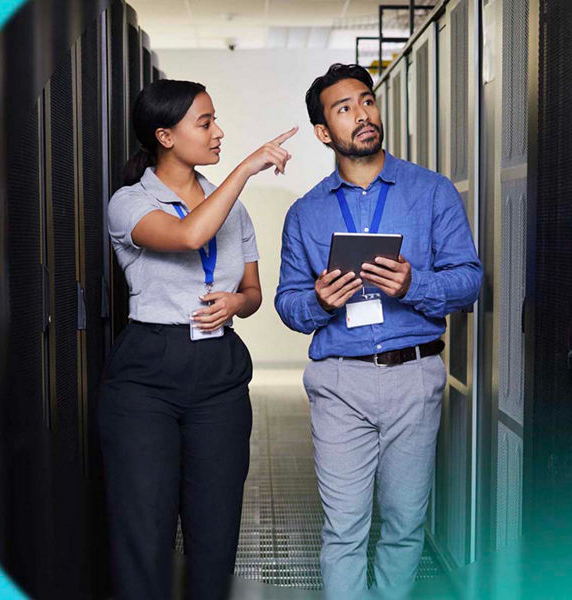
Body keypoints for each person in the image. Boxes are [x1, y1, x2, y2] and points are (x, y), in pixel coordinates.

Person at [274, 63, 482, 597]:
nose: (363, 114)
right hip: (339, 382)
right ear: (324, 133)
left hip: (414, 376)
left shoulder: (432, 192)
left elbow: (470, 281)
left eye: (367, 101)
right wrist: (319, 301)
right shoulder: (305, 213)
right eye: (344, 108)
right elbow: (288, 303)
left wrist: (414, 283)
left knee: (404, 524)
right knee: (344, 527)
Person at [99, 78, 297, 600]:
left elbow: (253, 290)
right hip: (148, 372)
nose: (218, 132)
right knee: (145, 529)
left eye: (215, 120)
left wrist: (236, 303)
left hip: (219, 369)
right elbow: (189, 236)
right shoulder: (129, 203)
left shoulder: (231, 206)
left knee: (215, 530)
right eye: (204, 123)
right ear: (165, 136)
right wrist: (245, 169)